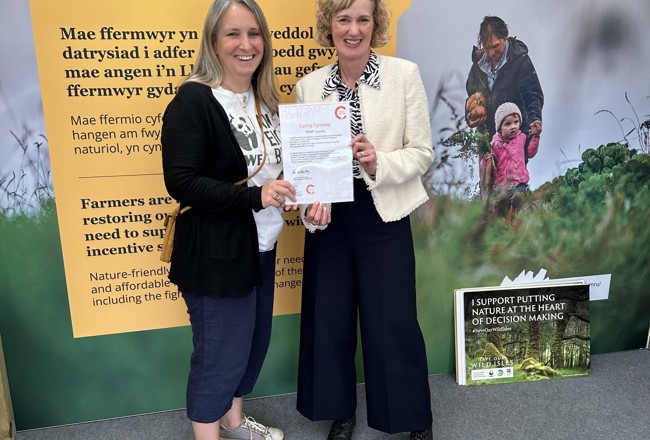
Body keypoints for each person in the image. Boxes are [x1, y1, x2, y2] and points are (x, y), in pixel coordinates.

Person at [294, 1, 434, 439]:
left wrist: (380, 161)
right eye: (343, 19)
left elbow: (424, 153)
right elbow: (304, 168)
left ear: (376, 25)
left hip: (384, 211)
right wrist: (309, 208)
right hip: (330, 218)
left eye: (362, 19)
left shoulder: (403, 76)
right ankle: (340, 412)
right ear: (328, 26)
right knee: (329, 317)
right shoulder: (309, 86)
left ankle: (411, 417)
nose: (352, 30)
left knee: (392, 320)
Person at [160, 1, 296, 439]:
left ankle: (234, 422)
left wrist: (301, 190)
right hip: (217, 252)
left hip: (261, 245)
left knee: (251, 347)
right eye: (233, 34)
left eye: (254, 34)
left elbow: (275, 173)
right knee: (219, 355)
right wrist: (257, 196)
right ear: (213, 43)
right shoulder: (194, 100)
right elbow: (182, 182)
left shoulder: (266, 100)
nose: (246, 44)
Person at [465, 16, 544, 139]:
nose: (491, 53)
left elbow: (532, 95)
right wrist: (470, 116)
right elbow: (472, 97)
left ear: (505, 37)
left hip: (515, 137)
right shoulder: (478, 66)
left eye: (495, 46)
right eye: (487, 48)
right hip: (486, 139)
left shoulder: (520, 61)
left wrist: (535, 119)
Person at [483, 102, 540, 223]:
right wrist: (486, 158)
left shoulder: (522, 138)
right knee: (498, 211)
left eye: (516, 122)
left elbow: (530, 152)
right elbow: (488, 166)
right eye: (507, 124)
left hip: (519, 182)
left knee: (518, 198)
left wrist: (535, 137)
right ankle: (501, 225)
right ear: (499, 128)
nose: (513, 126)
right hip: (502, 185)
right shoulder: (495, 144)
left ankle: (512, 217)